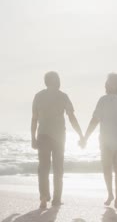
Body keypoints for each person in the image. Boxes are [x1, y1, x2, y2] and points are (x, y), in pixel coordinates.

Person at [31, 71, 84, 209]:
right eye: (58, 79)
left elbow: (34, 119)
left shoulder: (38, 96)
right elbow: (71, 117)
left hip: (43, 135)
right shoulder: (63, 96)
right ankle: (56, 199)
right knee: (58, 168)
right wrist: (80, 134)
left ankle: (43, 198)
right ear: (56, 81)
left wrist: (33, 137)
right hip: (59, 137)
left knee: (43, 167)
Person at [80, 73, 117, 209]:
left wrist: (85, 137)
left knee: (107, 169)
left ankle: (111, 194)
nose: (105, 85)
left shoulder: (103, 100)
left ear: (114, 85)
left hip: (107, 142)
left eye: (107, 82)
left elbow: (95, 120)